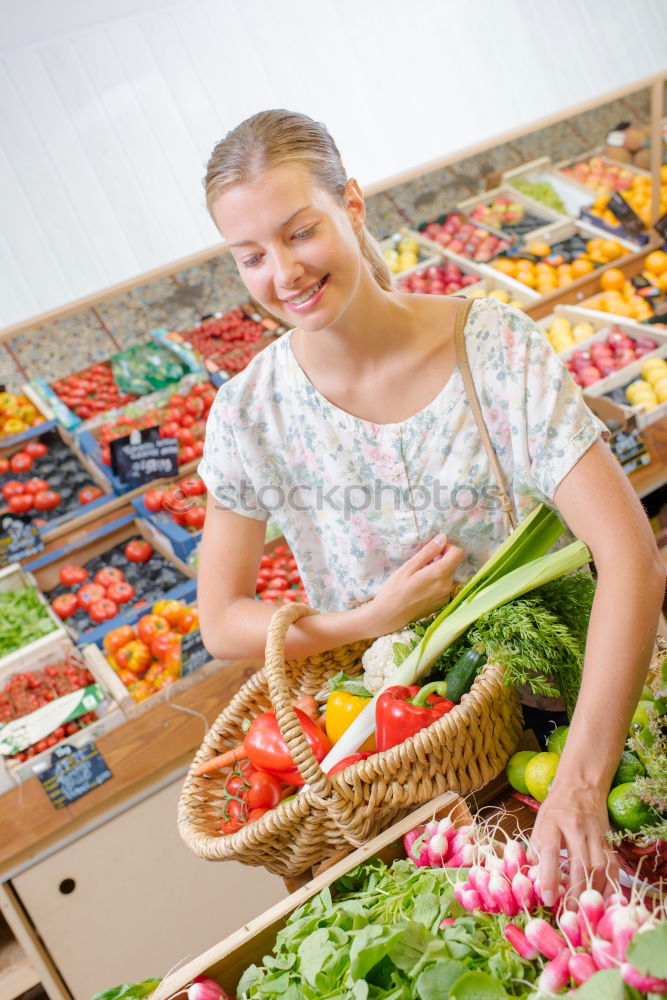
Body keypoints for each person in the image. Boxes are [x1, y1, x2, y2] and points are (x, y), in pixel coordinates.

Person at [196, 109, 665, 904]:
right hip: (413, 776)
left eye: (299, 232)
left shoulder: (490, 345)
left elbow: (628, 559)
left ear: (352, 204)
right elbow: (221, 619)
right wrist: (365, 621)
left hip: (588, 721)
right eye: (250, 257)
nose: (282, 273)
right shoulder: (249, 414)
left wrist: (581, 780)